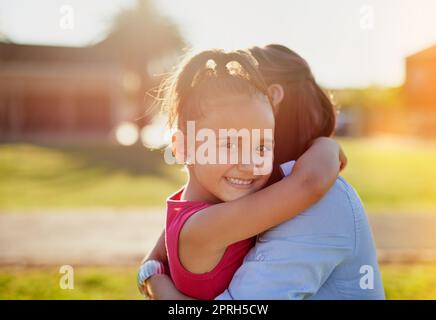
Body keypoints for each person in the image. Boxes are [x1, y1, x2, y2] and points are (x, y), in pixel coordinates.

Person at [138, 47, 348, 300]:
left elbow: (155, 259)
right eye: (228, 145)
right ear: (182, 147)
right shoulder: (203, 226)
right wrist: (326, 144)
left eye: (261, 146)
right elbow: (309, 184)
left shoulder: (195, 204)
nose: (250, 164)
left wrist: (151, 274)